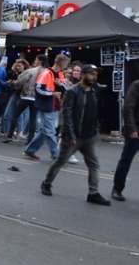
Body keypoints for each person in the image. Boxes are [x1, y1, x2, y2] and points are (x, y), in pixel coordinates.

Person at [41, 65, 110, 205]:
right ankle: (46, 183)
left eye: (95, 74)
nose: (94, 77)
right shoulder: (73, 92)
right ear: (83, 75)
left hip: (88, 136)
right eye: (91, 74)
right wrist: (71, 135)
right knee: (60, 161)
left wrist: (96, 130)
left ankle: (93, 193)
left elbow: (95, 112)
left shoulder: (94, 90)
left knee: (94, 164)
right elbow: (66, 114)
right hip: (73, 136)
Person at [24, 55, 60, 161]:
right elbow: (38, 88)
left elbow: (63, 88)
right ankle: (56, 155)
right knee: (49, 131)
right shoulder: (46, 72)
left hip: (54, 105)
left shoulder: (60, 73)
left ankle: (30, 150)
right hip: (46, 105)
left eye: (35, 59)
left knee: (44, 131)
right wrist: (52, 94)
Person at [5, 55, 43, 143]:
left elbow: (20, 82)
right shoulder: (44, 72)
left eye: (36, 60)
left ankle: (11, 135)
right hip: (33, 97)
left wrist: (14, 83)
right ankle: (29, 139)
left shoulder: (29, 71)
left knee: (16, 115)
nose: (18, 66)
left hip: (25, 96)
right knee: (31, 118)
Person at [112, 79, 139, 202]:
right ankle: (117, 189)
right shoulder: (136, 85)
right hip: (136, 130)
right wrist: (132, 129)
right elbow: (128, 108)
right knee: (126, 160)